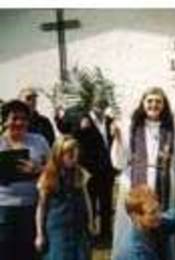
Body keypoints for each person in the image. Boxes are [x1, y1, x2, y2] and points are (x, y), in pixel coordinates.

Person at [111, 87, 175, 259]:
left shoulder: (172, 130)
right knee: (133, 228)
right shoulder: (131, 127)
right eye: (150, 101)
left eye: (158, 101)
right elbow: (119, 162)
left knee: (162, 221)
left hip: (164, 185)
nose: (154, 105)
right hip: (135, 186)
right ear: (143, 104)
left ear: (164, 105)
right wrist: (117, 140)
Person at [55, 96, 117, 245]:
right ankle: (89, 234)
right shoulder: (82, 118)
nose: (100, 107)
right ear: (92, 105)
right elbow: (68, 130)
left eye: (103, 104)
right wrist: (60, 118)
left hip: (107, 170)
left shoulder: (109, 121)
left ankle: (106, 234)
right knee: (90, 204)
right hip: (89, 170)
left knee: (106, 205)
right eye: (97, 104)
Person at [0, 99, 50, 260]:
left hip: (32, 207)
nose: (19, 122)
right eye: (14, 118)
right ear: (5, 121)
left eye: (23, 118)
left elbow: (54, 170)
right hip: (3, 208)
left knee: (29, 253)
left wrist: (38, 169)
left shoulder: (39, 141)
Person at [35, 135, 92, 260]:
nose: (75, 158)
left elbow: (87, 200)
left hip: (79, 227)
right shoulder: (48, 175)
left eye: (77, 154)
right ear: (59, 155)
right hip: (57, 228)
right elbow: (41, 207)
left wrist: (90, 223)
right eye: (70, 154)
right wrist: (40, 234)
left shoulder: (80, 173)